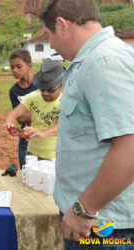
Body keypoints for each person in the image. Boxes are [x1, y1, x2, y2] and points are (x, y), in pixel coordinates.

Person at [39, 0, 134, 248]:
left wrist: (85, 209)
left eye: (49, 35)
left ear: (61, 24)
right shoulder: (92, 60)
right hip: (95, 217)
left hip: (103, 224)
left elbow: (129, 147)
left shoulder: (103, 61)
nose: (50, 44)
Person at [4, 61, 63, 162]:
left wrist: (43, 133)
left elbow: (62, 126)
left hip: (54, 156)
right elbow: (16, 112)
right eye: (42, 89)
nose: (45, 93)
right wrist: (9, 120)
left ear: (61, 86)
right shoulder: (34, 96)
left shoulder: (65, 102)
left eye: (50, 90)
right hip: (32, 153)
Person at [8, 49, 38, 168]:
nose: (15, 70)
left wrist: (28, 113)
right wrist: (42, 112)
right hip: (26, 135)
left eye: (19, 66)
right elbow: (20, 119)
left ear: (29, 66)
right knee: (26, 169)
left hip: (46, 134)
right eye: (12, 67)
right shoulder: (14, 91)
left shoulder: (42, 83)